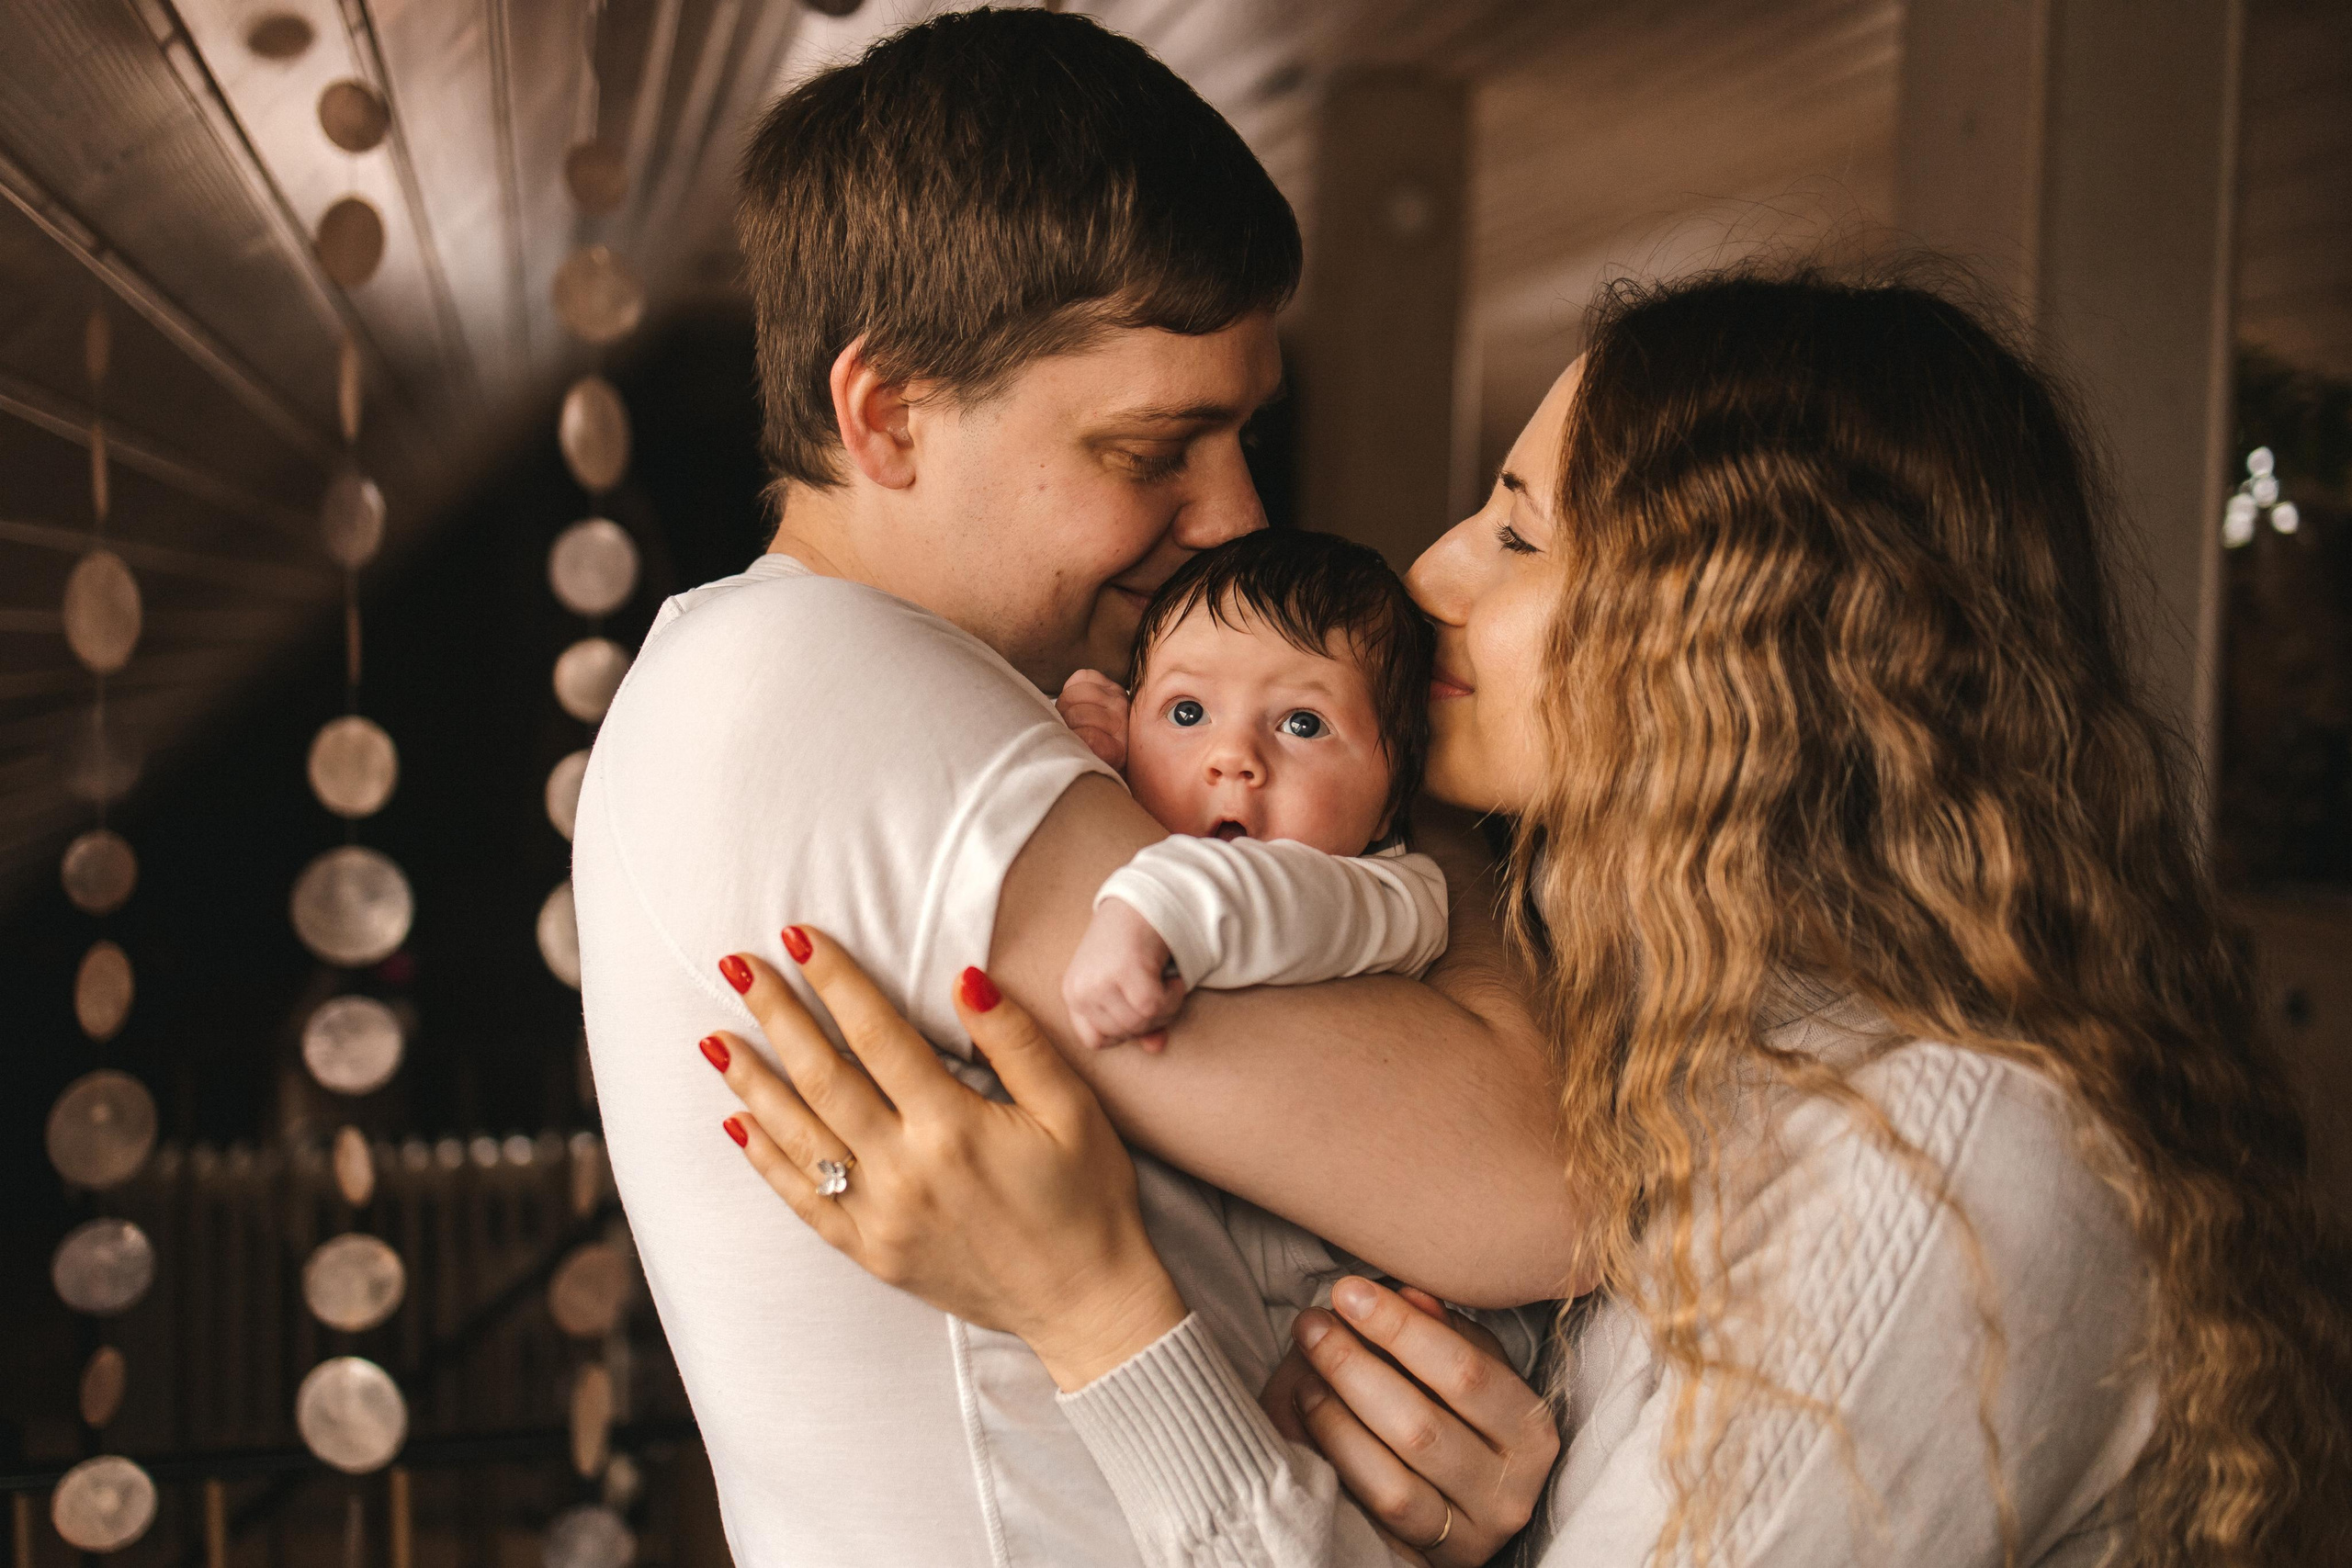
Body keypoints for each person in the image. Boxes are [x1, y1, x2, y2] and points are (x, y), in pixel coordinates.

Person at [709, 268, 2352, 1567]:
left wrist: (1095, 1317)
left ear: (1744, 629)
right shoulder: (1696, 1037)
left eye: (1518, 529)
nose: (1427, 570)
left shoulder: (1927, 1159)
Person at [572, 11, 1580, 1567]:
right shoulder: (826, 685)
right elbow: (1545, 1181)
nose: (1236, 510)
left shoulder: (866, 691)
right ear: (886, 411)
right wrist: (1407, 780)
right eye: (1155, 446)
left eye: (1242, 431)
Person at [1057, 528, 1449, 1054]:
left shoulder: (1400, 902)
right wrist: (1088, 739)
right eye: (1187, 712)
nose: (1233, 757)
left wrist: (1157, 907)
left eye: (1304, 725)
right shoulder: (1136, 775)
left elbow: (1278, 893)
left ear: (1394, 797)